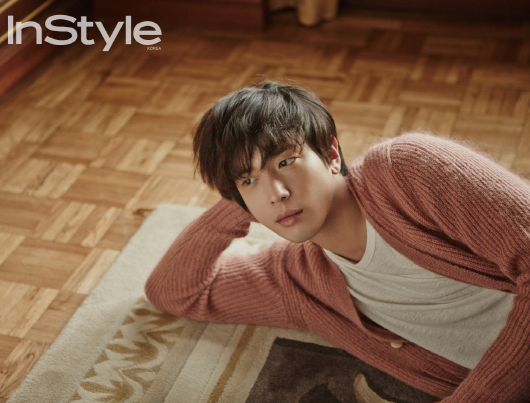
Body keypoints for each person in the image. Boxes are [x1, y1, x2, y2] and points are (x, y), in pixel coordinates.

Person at [144, 81, 530, 402]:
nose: (277, 193)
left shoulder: (407, 171)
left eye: (285, 161)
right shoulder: (295, 279)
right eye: (249, 180)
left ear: (330, 154)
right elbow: (174, 292)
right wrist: (240, 200)